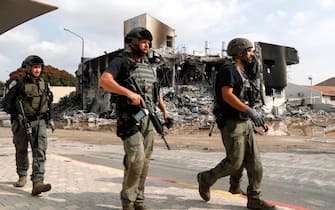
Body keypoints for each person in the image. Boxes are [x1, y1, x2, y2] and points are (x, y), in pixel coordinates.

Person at [196, 38, 276, 210]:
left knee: (256, 164)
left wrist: (257, 117)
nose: (251, 54)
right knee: (234, 163)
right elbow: (227, 95)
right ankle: (206, 178)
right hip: (232, 123)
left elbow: (247, 99)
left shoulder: (244, 72)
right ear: (240, 52)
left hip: (245, 122)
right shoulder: (228, 69)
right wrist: (249, 111)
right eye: (248, 51)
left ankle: (254, 198)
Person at [99, 27, 170, 210]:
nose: (146, 45)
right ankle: (128, 200)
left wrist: (164, 111)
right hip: (129, 117)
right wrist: (128, 93)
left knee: (144, 161)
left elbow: (155, 92)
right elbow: (105, 81)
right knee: (136, 159)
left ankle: (139, 200)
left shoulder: (147, 65)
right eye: (143, 42)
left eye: (148, 42)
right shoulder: (121, 61)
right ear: (133, 42)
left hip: (147, 116)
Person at [3, 55, 54, 196]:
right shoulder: (18, 84)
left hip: (40, 122)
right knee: (21, 150)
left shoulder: (45, 84)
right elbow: (6, 104)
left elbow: (49, 103)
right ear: (27, 68)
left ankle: (38, 182)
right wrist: (17, 115)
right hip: (21, 122)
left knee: (40, 151)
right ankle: (22, 175)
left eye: (39, 67)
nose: (37, 70)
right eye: (34, 67)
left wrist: (50, 119)